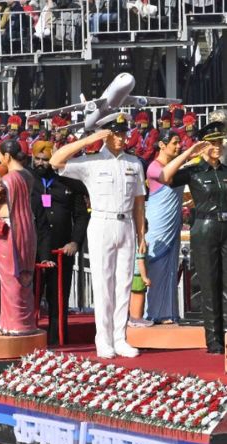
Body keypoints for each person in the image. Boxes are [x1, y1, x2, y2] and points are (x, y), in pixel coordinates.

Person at [50, 114, 148, 359]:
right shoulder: (91, 162)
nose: (121, 138)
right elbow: (56, 160)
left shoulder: (134, 163)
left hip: (126, 223)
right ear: (106, 134)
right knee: (103, 283)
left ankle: (120, 337)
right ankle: (103, 339)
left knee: (123, 283)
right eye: (116, 133)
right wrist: (89, 140)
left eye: (124, 133)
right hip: (102, 222)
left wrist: (141, 234)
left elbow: (139, 203)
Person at [162, 123, 227, 353]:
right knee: (209, 283)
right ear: (202, 146)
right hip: (204, 227)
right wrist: (189, 153)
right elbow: (165, 176)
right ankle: (213, 339)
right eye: (212, 143)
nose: (217, 147)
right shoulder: (194, 171)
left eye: (219, 142)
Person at [30, 140, 89, 345]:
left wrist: (75, 242)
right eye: (37, 159)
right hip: (34, 251)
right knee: (31, 298)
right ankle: (30, 339)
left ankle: (58, 339)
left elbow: (81, 216)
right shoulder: (27, 181)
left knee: (58, 298)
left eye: (45, 160)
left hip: (62, 251)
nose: (40, 163)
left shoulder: (69, 183)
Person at [0, 139, 42, 336]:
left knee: (10, 278)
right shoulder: (27, 175)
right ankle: (22, 322)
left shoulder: (8, 180)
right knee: (24, 277)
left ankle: (13, 324)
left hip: (11, 232)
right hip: (27, 228)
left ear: (7, 156)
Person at [143, 131, 184, 325]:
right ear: (162, 145)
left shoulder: (177, 166)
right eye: (175, 143)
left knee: (169, 269)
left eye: (180, 143)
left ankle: (167, 312)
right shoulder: (153, 167)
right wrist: (190, 152)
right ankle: (149, 313)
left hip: (173, 225)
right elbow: (166, 177)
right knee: (155, 266)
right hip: (158, 224)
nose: (178, 147)